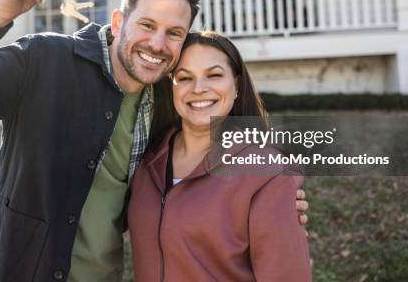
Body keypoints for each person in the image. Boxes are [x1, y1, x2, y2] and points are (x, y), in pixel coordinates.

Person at [0, 0, 309, 282]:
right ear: (118, 21)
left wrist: (274, 196)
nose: (157, 44)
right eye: (146, 24)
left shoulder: (170, 99)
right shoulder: (42, 60)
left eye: (174, 33)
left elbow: (205, 161)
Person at [128, 31, 312, 281]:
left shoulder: (268, 174)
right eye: (184, 78)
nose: (199, 89)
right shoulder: (145, 161)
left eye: (214, 75)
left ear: (236, 85)